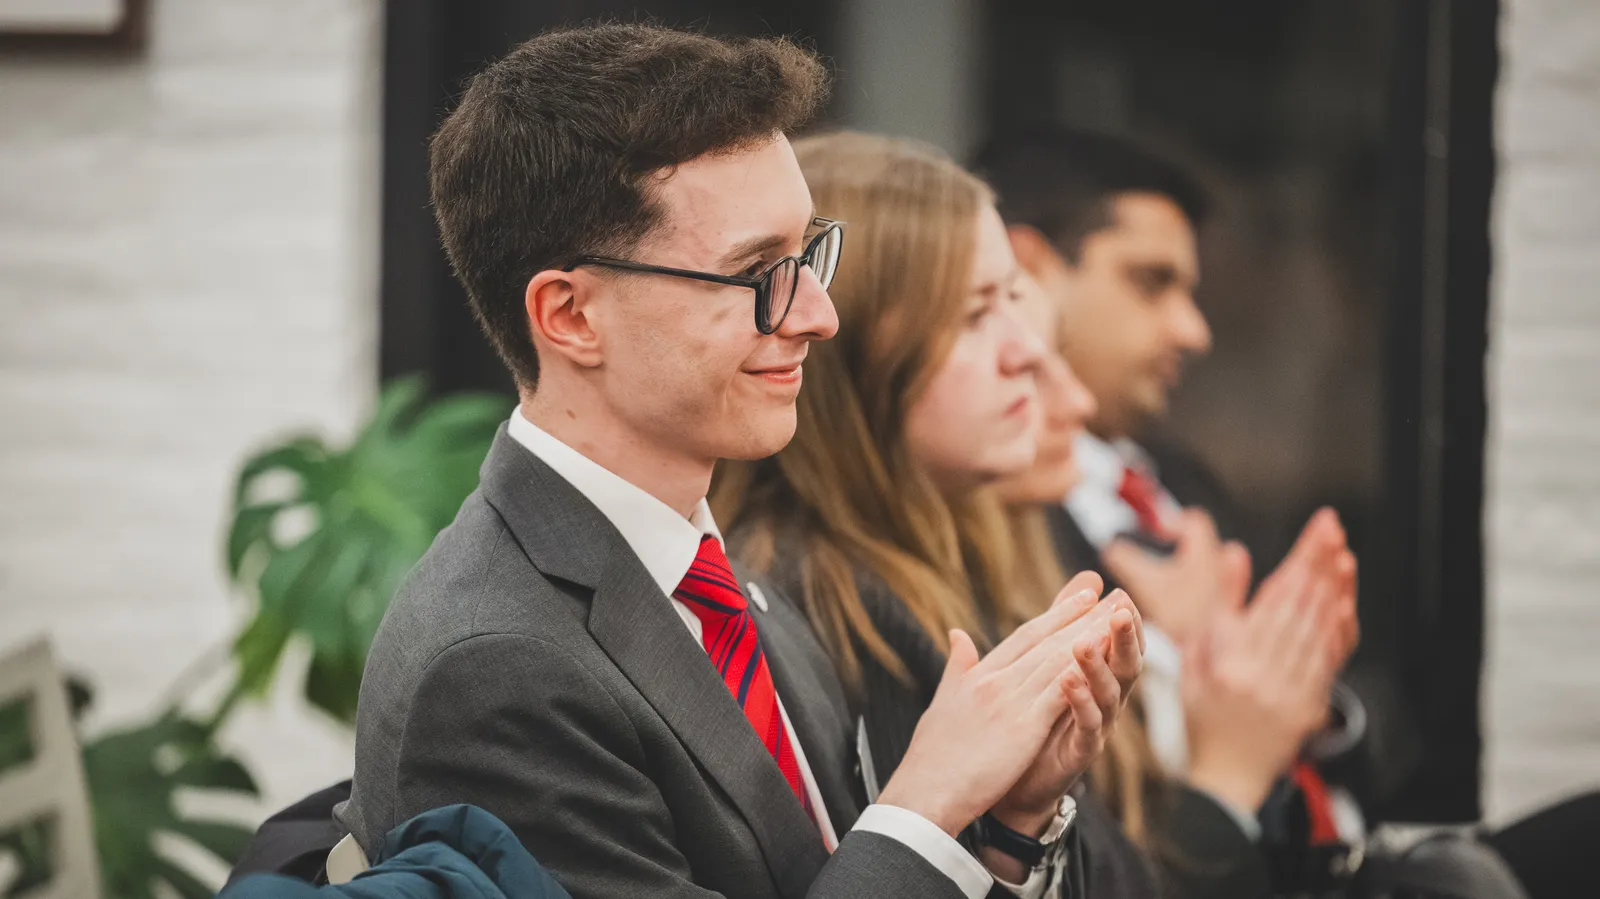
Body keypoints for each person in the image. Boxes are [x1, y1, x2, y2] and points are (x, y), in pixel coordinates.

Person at [333, 26, 1139, 899]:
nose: (818, 314)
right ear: (570, 316)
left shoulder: (726, 573)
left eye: (806, 254)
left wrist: (1008, 826)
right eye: (759, 272)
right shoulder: (496, 669)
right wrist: (926, 803)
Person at [712, 132, 1147, 898]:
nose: (1031, 355)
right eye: (976, 313)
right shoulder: (827, 606)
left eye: (1014, 298)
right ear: (854, 352)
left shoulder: (954, 554)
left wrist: (1019, 829)